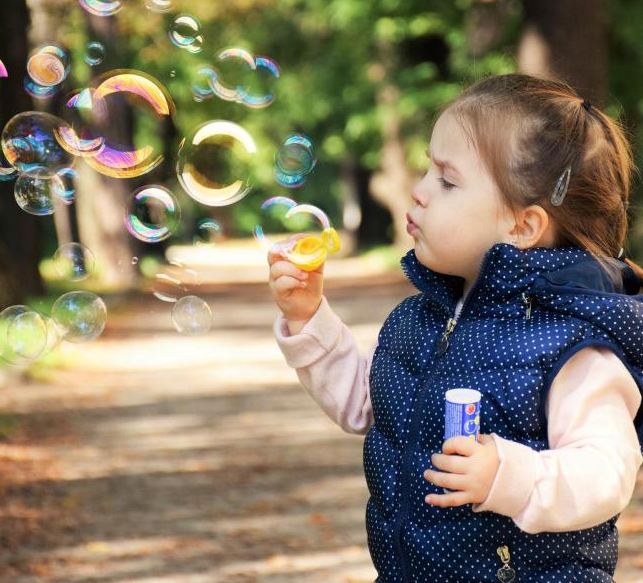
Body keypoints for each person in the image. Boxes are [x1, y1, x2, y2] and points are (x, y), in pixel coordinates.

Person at [267, 73, 643, 582]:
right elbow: (368, 403)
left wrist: (508, 476)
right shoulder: (420, 318)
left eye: (446, 180)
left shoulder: (570, 345)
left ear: (522, 225)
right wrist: (308, 317)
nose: (420, 192)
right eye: (427, 170)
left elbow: (607, 471)